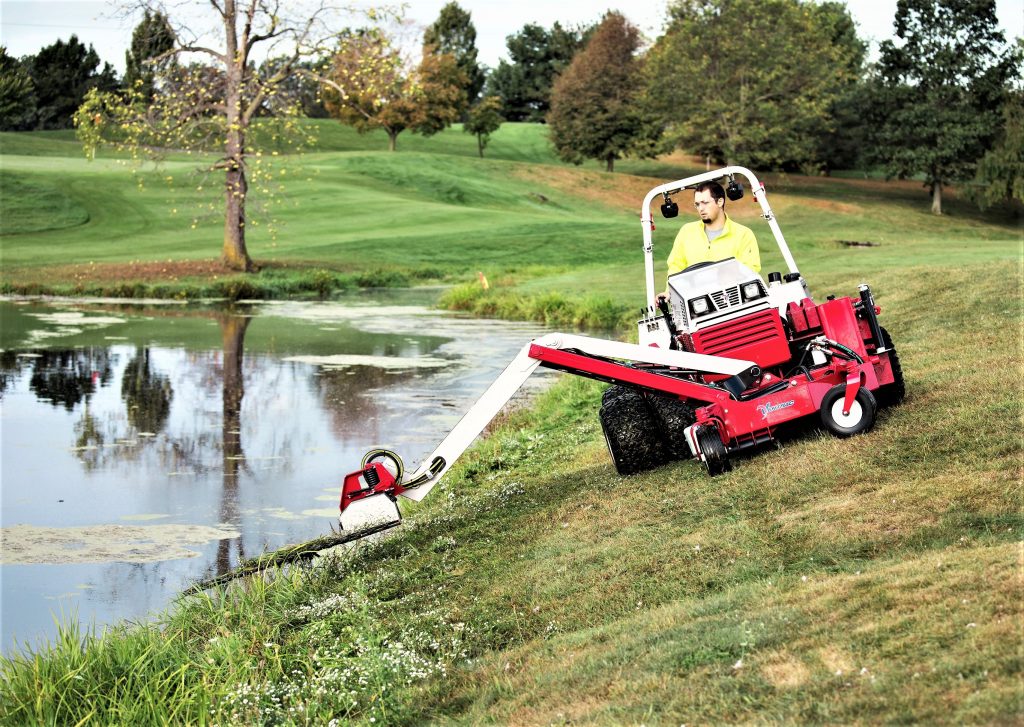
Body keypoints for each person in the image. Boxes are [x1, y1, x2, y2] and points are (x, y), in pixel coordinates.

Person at [659, 181, 760, 301]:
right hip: (696, 302)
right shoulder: (687, 232)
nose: (701, 209)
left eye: (705, 203)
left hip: (734, 298)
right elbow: (676, 266)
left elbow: (750, 269)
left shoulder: (743, 234)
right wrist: (669, 292)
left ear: (720, 201)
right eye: (697, 204)